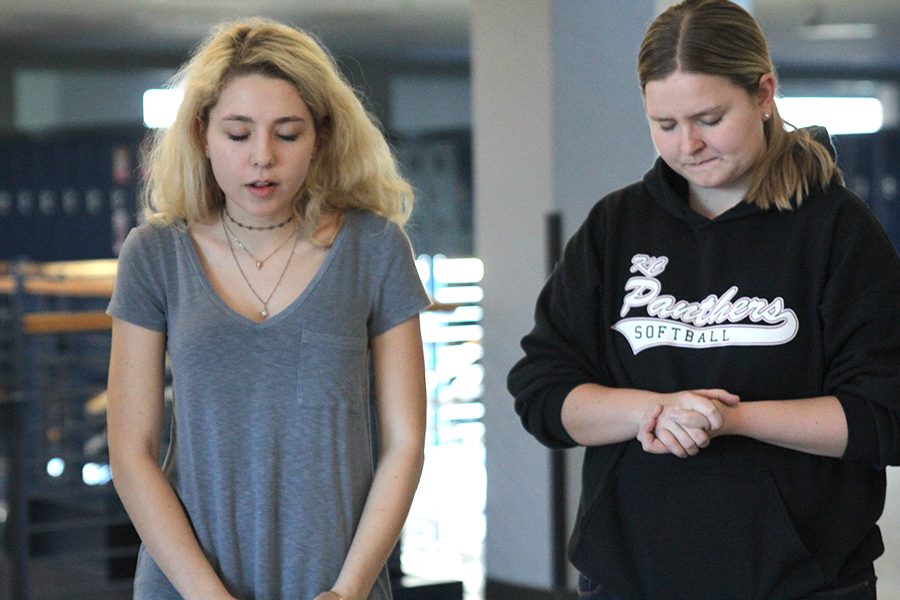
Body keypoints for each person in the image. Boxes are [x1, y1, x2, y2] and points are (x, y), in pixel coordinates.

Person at [507, 1, 900, 598]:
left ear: (764, 93)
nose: (687, 144)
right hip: (629, 578)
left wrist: (730, 420)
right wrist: (652, 411)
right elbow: (542, 392)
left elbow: (883, 416)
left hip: (801, 581)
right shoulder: (616, 227)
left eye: (709, 118)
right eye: (664, 124)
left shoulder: (836, 231)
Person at [106, 18, 431, 600]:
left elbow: (405, 442)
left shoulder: (374, 248)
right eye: (238, 134)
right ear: (202, 134)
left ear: (321, 139)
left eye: (287, 133)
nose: (262, 158)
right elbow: (132, 452)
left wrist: (350, 589)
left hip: (335, 585)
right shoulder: (154, 254)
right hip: (185, 583)